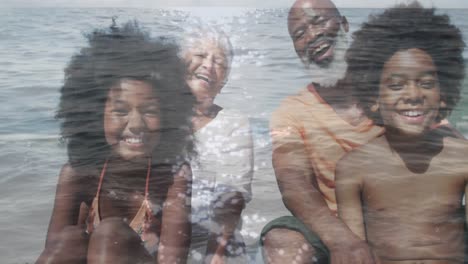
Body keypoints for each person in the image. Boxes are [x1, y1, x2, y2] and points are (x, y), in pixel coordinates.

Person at [36, 21, 195, 264]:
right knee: (70, 239)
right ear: (94, 114)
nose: (136, 124)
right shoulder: (77, 175)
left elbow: (173, 260)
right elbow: (55, 252)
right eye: (120, 111)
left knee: (111, 235)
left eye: (149, 111)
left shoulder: (174, 176)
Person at [336, 2, 467, 263]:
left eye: (427, 84)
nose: (413, 95)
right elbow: (353, 252)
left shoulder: (463, 158)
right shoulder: (353, 168)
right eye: (396, 85)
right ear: (373, 98)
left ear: (443, 95)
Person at [260, 0, 382, 263]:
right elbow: (293, 181)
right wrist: (343, 241)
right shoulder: (290, 111)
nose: (312, 35)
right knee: (281, 240)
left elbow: (449, 150)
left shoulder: (396, 90)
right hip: (336, 228)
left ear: (345, 24)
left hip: (406, 214)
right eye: (300, 34)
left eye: (318, 21)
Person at [180, 23, 254, 264]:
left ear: (224, 81)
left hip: (215, 240)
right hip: (157, 232)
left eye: (219, 62)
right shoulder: (154, 115)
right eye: (200, 55)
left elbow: (233, 195)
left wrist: (216, 255)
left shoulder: (234, 123)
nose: (208, 65)